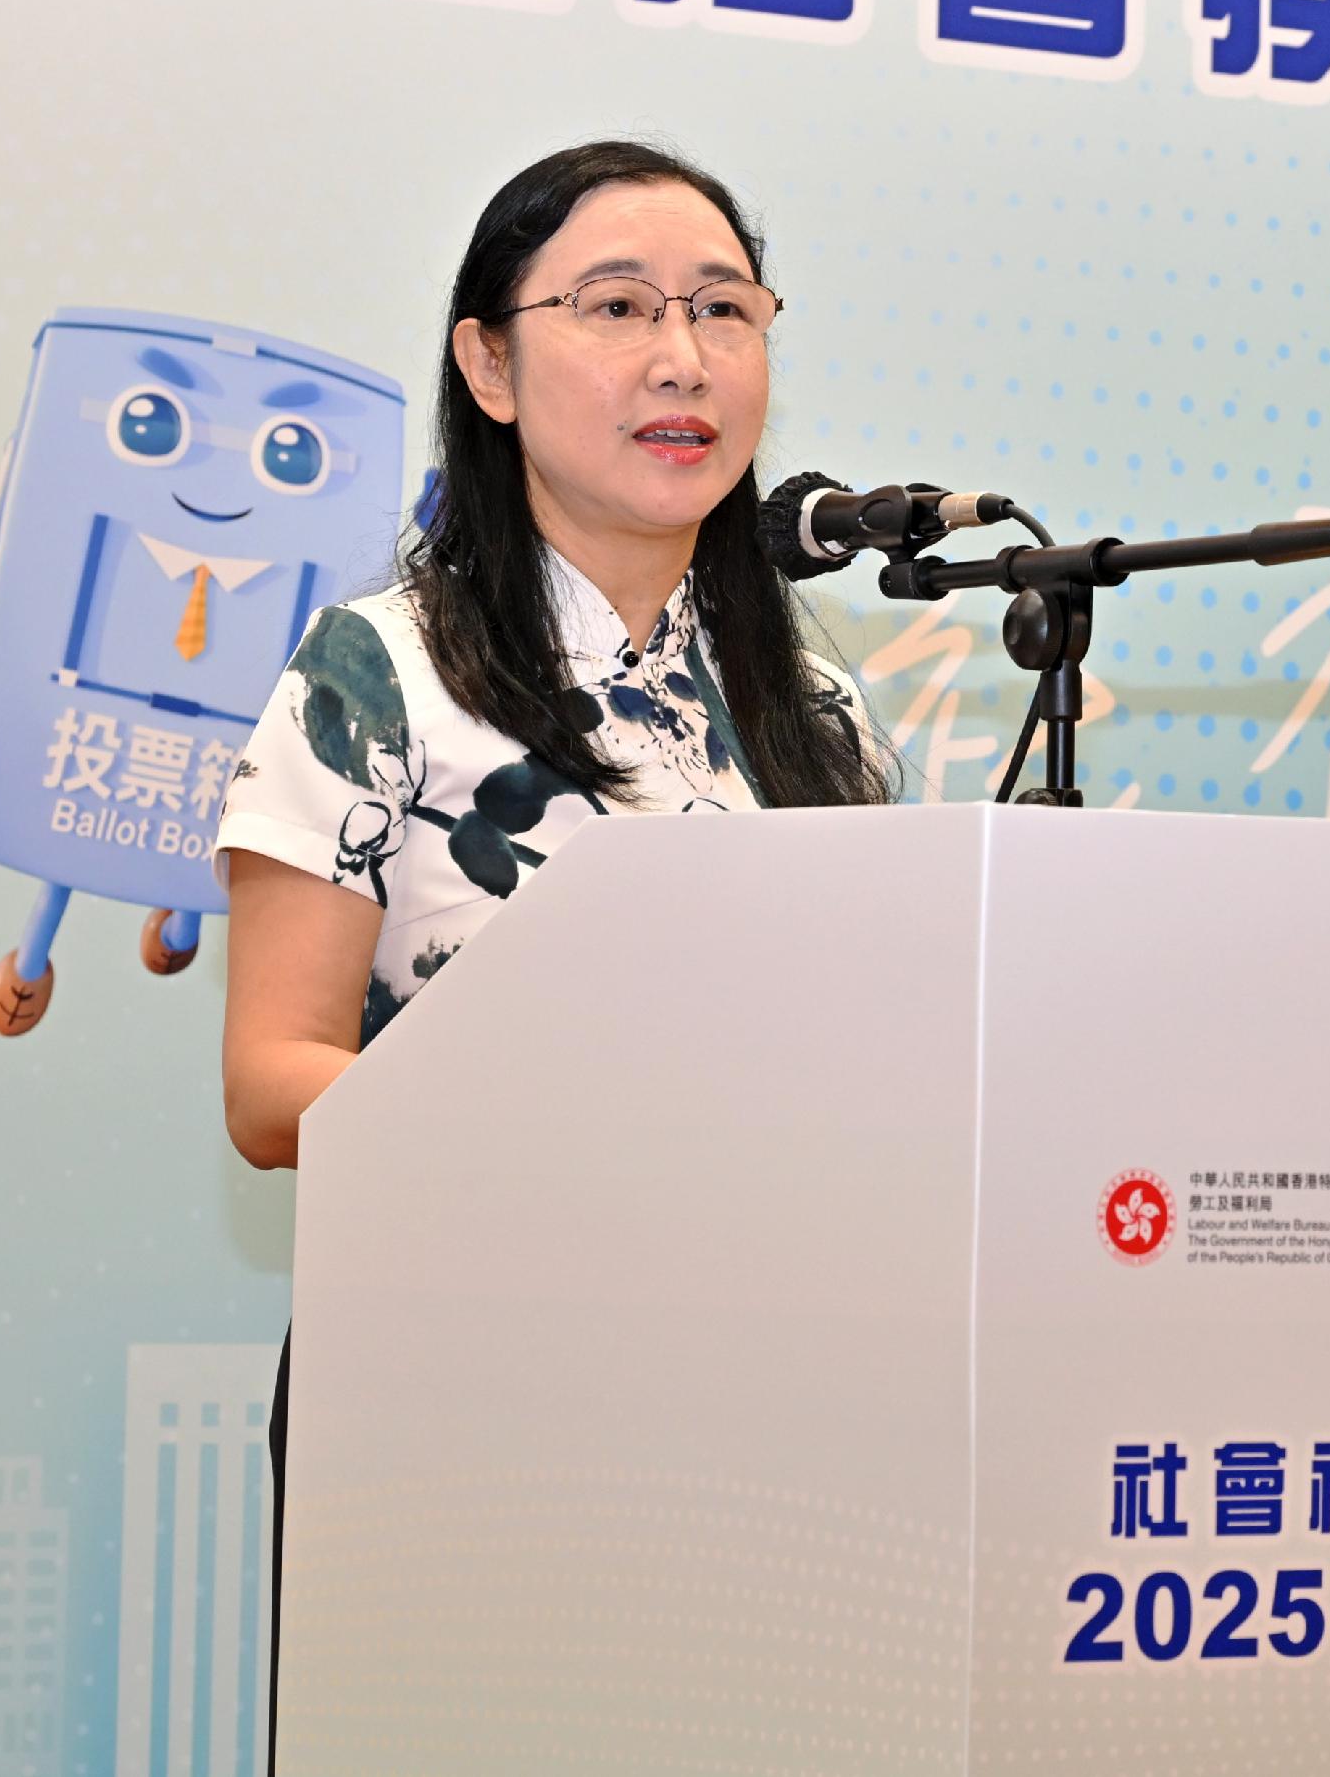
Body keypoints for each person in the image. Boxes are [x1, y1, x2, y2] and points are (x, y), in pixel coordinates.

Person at [206, 138, 893, 1728]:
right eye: (617, 306)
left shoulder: (815, 709)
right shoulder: (383, 668)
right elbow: (269, 1083)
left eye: (726, 310)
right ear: (489, 364)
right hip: (468, 1395)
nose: (683, 357)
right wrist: (595, 1130)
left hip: (774, 1402)